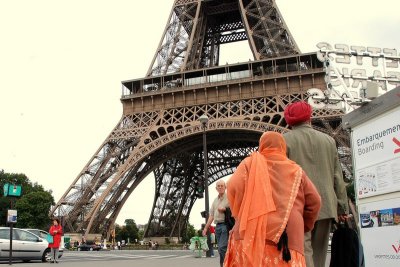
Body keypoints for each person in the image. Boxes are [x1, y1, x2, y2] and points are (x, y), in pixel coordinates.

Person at [224, 131, 321, 267]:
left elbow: (233, 187)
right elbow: (315, 201)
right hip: (287, 238)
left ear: (261, 146)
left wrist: (242, 213)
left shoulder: (249, 164)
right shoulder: (297, 171)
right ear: (283, 147)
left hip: (248, 234)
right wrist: (302, 225)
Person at [283, 101, 349, 267]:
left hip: (299, 206)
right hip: (326, 204)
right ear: (309, 117)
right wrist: (342, 207)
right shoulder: (328, 140)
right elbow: (337, 177)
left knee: (303, 252)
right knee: (319, 253)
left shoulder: (284, 140)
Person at [202, 180, 230, 267]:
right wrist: (206, 228)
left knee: (222, 247)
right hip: (217, 226)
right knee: (220, 249)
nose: (220, 187)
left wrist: (225, 209)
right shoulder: (215, 201)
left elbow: (236, 210)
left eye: (222, 185)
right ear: (216, 188)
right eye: (219, 186)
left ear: (225, 187)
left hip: (225, 225)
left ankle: (226, 264)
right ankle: (223, 264)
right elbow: (211, 215)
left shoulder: (229, 198)